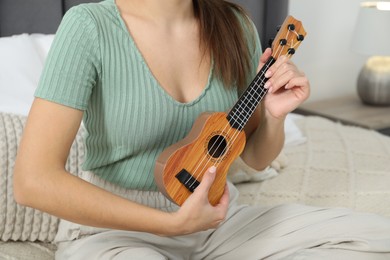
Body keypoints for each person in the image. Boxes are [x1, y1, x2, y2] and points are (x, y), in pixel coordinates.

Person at [13, 0, 390, 259]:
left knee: (376, 236)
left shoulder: (234, 24)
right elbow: (32, 181)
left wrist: (275, 115)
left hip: (217, 222)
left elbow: (255, 157)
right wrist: (170, 224)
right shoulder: (88, 28)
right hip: (114, 231)